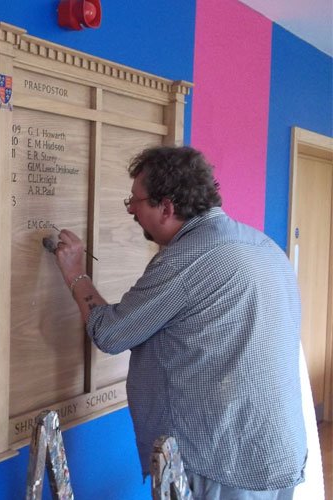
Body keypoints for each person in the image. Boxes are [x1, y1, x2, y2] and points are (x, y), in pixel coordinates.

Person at [53, 146, 306, 499]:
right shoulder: (264, 246)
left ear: (167, 208)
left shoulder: (187, 258)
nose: (130, 209)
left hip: (224, 462)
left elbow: (110, 333)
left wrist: (75, 274)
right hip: (277, 450)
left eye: (135, 200)